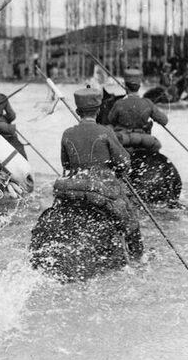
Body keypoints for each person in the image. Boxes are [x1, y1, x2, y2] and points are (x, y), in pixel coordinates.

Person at [60, 87, 141, 252]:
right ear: (98, 110)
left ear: (77, 111)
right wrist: (117, 170)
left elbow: (65, 165)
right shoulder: (105, 132)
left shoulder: (67, 133)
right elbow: (124, 162)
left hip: (75, 184)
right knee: (130, 218)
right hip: (103, 185)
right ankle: (136, 254)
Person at [108, 69, 168, 136]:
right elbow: (164, 120)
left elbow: (110, 119)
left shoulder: (119, 103)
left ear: (125, 86)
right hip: (143, 139)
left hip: (123, 139)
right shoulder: (148, 103)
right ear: (139, 86)